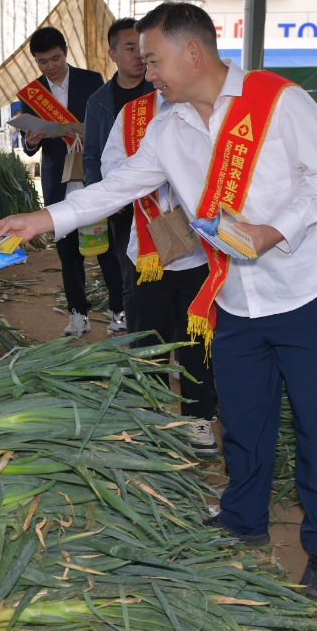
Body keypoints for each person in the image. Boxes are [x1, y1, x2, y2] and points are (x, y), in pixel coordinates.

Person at [0, 1, 317, 599]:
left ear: (193, 52)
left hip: (304, 292)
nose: (146, 71)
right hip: (232, 296)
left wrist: (271, 231)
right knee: (243, 419)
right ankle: (243, 520)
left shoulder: (278, 101)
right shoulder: (166, 128)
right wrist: (41, 218)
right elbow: (115, 188)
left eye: (152, 59)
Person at [100, 84, 219, 452]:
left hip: (200, 251)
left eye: (155, 60)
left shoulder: (209, 104)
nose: (150, 71)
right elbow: (111, 165)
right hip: (149, 252)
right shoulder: (134, 113)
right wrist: (151, 172)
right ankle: (150, 420)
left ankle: (199, 419)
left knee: (198, 343)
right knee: (149, 341)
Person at [19, 26, 125, 337]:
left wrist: (83, 131)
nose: (50, 67)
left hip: (93, 174)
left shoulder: (91, 81)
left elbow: (108, 125)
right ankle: (78, 314)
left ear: (65, 52)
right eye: (42, 62)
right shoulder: (33, 94)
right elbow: (30, 146)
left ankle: (119, 311)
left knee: (106, 249)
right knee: (67, 251)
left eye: (55, 58)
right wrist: (31, 140)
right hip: (58, 180)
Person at [83, 17, 156, 324]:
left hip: (163, 203)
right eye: (129, 48)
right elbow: (91, 156)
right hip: (124, 209)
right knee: (131, 280)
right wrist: (105, 198)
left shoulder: (161, 89)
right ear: (113, 54)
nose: (138, 54)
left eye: (141, 47)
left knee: (172, 278)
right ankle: (140, 348)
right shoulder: (98, 101)